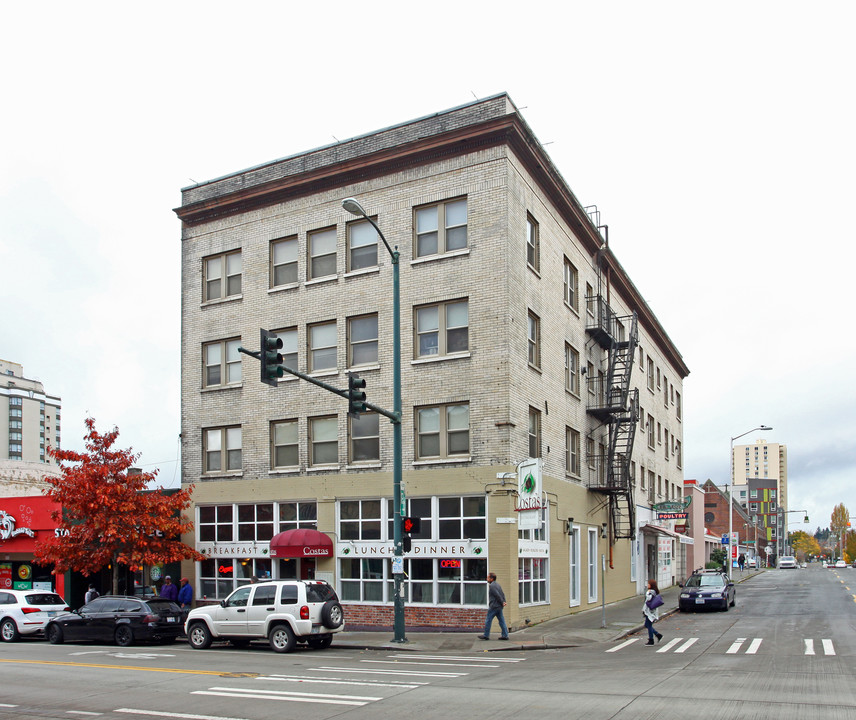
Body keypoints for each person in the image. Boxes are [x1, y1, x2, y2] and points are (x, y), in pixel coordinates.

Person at [478, 572, 509, 640]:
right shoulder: (498, 585)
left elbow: (497, 595)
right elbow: (502, 594)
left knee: (488, 620)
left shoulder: (492, 586)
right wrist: (504, 602)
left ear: (491, 579)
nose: (487, 579)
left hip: (494, 606)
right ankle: (505, 635)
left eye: (488, 577)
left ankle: (486, 635)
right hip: (499, 606)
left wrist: (502, 602)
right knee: (501, 620)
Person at [643, 578, 663, 646]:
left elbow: (649, 599)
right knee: (647, 625)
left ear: (651, 585)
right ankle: (658, 635)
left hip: (650, 611)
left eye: (648, 584)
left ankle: (651, 640)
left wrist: (647, 593)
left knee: (648, 625)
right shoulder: (654, 591)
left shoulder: (650, 592)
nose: (647, 585)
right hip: (651, 611)